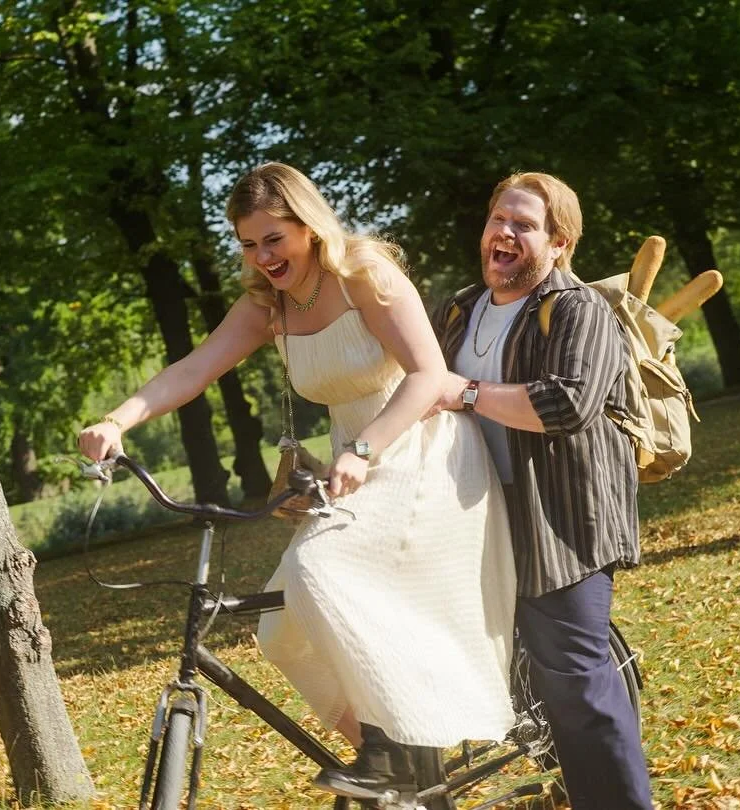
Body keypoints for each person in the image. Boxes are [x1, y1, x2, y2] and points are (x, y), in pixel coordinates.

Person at [78, 162, 517, 796]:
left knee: (319, 570)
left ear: (308, 226)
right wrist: (117, 420)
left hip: (420, 450)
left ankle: (398, 751)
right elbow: (193, 369)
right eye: (248, 244)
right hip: (351, 470)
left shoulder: (365, 274)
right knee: (281, 628)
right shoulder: (268, 304)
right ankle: (393, 765)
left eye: (273, 239)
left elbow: (428, 375)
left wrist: (364, 448)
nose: (263, 257)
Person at [426, 172, 654, 808]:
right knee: (526, 687)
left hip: (561, 520)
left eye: (524, 225)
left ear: (559, 243)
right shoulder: (459, 309)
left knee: (578, 684)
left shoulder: (579, 309)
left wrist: (466, 392)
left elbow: (567, 404)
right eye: (498, 219)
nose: (503, 233)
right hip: (477, 515)